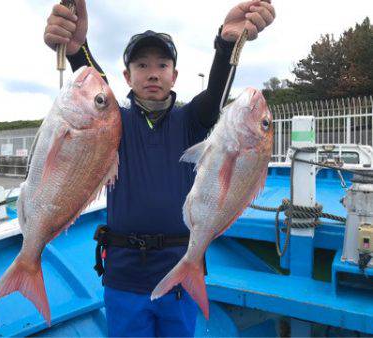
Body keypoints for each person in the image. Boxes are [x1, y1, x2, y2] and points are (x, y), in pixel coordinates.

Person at [44, 1, 275, 336]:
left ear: (174, 74)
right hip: (123, 275)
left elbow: (215, 96)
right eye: (141, 65)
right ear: (127, 76)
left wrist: (227, 44)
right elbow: (95, 95)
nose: (152, 72)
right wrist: (78, 52)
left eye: (162, 64)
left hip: (179, 268)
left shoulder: (191, 120)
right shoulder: (113, 123)